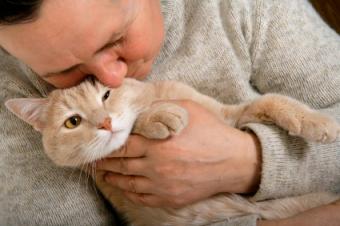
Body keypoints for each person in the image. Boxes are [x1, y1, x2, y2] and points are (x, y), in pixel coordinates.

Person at [0, 0, 339, 225]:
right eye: (64, 70)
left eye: (113, 40)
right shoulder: (13, 90)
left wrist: (248, 161)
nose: (112, 78)